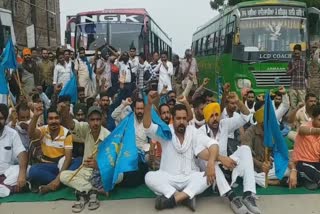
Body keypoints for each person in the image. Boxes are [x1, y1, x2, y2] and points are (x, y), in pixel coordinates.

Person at [143, 91, 219, 211]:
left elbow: (213, 144)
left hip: (190, 177)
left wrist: (210, 163)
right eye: (178, 118)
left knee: (210, 175)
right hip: (168, 177)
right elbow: (147, 128)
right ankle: (186, 196)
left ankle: (174, 199)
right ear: (173, 119)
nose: (182, 121)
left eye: (184, 118)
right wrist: (148, 105)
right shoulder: (166, 131)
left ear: (187, 119)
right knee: (149, 177)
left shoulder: (193, 132)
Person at [199, 93, 261, 214]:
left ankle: (248, 194)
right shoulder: (200, 132)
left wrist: (238, 102)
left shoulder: (224, 124)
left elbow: (245, 117)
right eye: (211, 116)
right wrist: (222, 159)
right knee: (211, 161)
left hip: (225, 164)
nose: (215, 118)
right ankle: (232, 198)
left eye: (217, 115)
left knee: (245, 149)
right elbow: (202, 154)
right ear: (206, 118)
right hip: (210, 168)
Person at [59, 106, 110, 212]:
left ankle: (82, 190)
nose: (95, 123)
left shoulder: (108, 136)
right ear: (88, 120)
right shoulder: (85, 128)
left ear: (101, 120)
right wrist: (65, 113)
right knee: (63, 176)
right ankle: (92, 190)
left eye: (98, 119)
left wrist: (98, 165)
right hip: (86, 170)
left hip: (101, 172)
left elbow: (113, 162)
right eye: (92, 120)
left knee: (119, 176)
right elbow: (71, 125)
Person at [28, 104, 81, 194]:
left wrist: (57, 178)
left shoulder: (66, 133)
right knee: (33, 171)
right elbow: (31, 133)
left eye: (56, 118)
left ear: (60, 120)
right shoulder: (43, 130)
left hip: (63, 165)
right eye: (51, 118)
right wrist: (36, 116)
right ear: (47, 120)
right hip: (48, 167)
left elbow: (68, 158)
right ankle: (62, 182)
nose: (54, 121)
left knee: (79, 160)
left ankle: (54, 184)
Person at [0, 104, 28, 198]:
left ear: (5, 119)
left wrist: (22, 175)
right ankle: (9, 188)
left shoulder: (12, 133)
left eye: (1, 118)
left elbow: (22, 153)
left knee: (27, 169)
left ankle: (4, 187)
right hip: (7, 180)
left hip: (7, 174)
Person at [289, 104, 320, 190]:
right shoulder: (305, 126)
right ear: (312, 118)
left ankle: (306, 180)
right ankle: (306, 179)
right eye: (319, 120)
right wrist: (317, 131)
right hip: (302, 163)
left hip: (316, 163)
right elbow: (302, 130)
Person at [287, 44, 308, 110]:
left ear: (301, 52)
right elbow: (287, 73)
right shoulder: (291, 61)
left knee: (303, 106)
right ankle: (294, 120)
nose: (296, 55)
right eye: (295, 53)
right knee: (293, 107)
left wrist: (308, 85)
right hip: (293, 87)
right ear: (293, 52)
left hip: (302, 87)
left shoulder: (305, 61)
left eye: (298, 53)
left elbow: (307, 73)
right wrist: (293, 69)